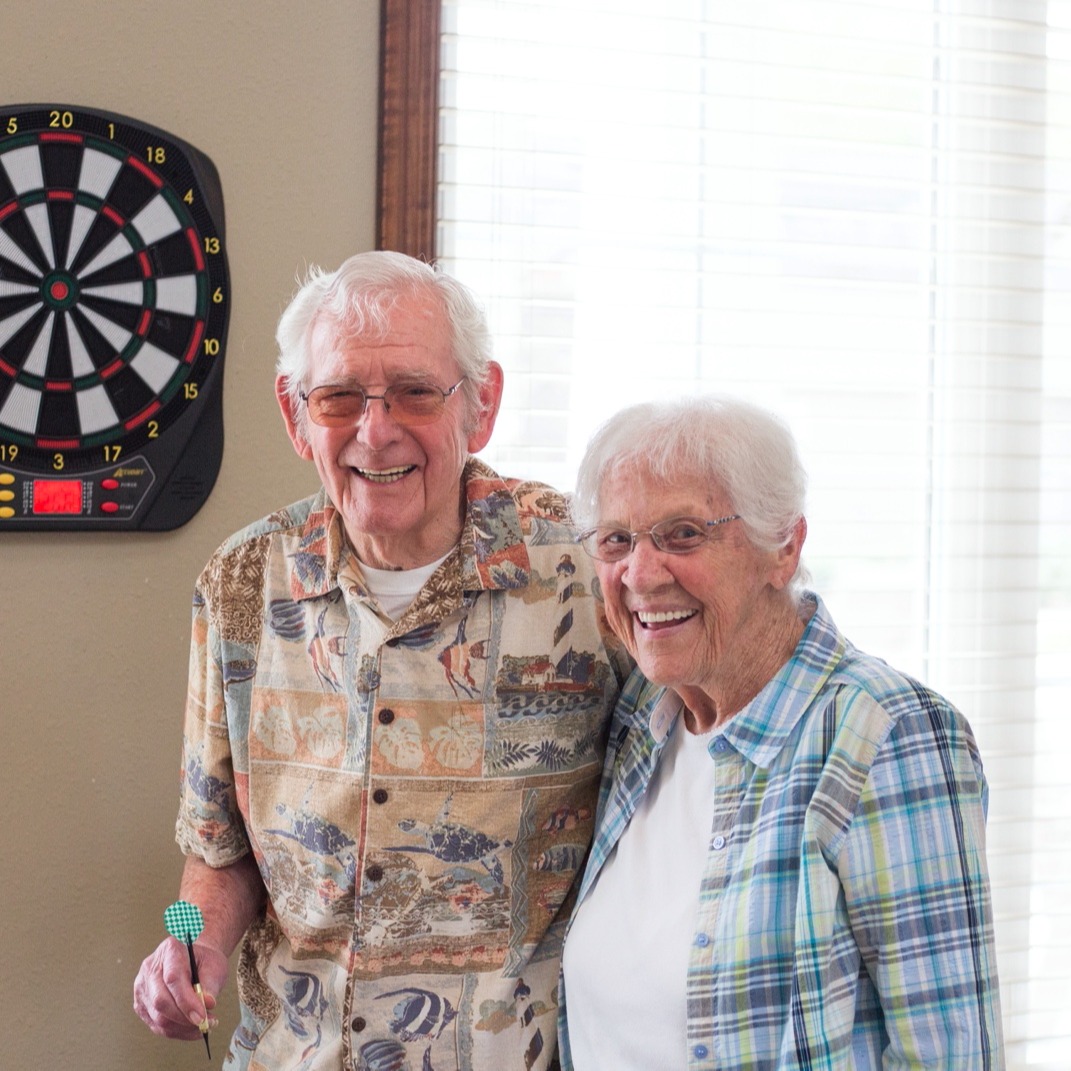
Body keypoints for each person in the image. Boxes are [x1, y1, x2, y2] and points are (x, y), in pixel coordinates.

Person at [133, 251, 628, 1071]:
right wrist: (185, 947)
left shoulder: (585, 566)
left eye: (413, 391)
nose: (376, 428)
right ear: (297, 416)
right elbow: (212, 850)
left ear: (482, 404)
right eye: (339, 397)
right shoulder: (241, 582)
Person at [558, 395, 1004, 1070]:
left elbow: (950, 1057)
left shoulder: (887, 736)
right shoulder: (643, 718)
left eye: (682, 533)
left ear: (783, 547)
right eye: (616, 539)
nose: (640, 574)